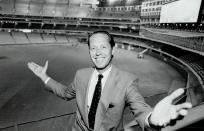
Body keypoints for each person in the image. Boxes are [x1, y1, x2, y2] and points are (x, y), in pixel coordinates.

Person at [27, 31, 192, 131]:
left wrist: (151, 119)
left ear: (113, 49)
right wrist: (44, 76)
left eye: (103, 47)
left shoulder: (127, 81)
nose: (98, 52)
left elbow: (140, 108)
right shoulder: (81, 75)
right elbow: (65, 93)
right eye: (93, 48)